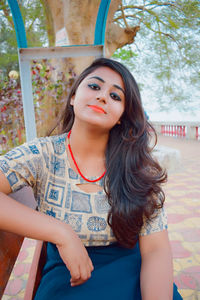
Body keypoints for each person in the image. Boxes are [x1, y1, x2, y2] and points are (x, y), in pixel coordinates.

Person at [0, 58, 182, 300]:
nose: (103, 96)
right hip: (71, 276)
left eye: (116, 96)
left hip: (136, 275)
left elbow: (156, 251)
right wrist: (60, 233)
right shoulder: (42, 155)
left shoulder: (136, 169)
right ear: (74, 97)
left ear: (121, 116)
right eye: (94, 87)